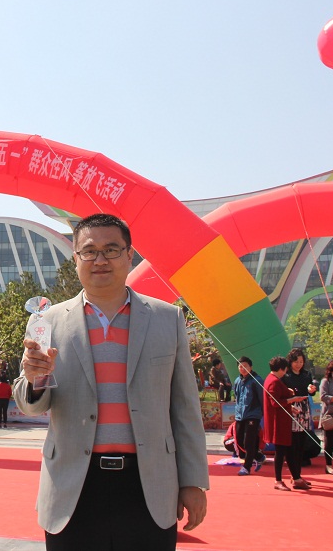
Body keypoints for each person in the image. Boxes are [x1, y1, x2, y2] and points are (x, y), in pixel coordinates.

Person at [14, 213, 208, 549]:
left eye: (112, 250)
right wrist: (35, 379)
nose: (100, 260)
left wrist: (193, 481)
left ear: (130, 255)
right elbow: (31, 405)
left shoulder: (167, 319)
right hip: (73, 487)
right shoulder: (47, 322)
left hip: (149, 486)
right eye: (89, 251)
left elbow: (185, 408)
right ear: (76, 259)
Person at [263, 356, 309, 491]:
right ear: (281, 369)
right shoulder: (274, 381)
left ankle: (296, 478)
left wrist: (290, 406)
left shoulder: (272, 380)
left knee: (288, 450)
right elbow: (275, 402)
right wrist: (292, 400)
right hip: (278, 422)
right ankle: (278, 480)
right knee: (281, 452)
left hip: (282, 419)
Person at [281, 348, 317, 472]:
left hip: (304, 407)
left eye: (301, 362)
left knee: (303, 436)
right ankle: (292, 463)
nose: (299, 364)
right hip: (292, 407)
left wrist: (311, 390)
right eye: (296, 362)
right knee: (293, 437)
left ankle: (301, 461)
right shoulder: (286, 375)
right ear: (290, 362)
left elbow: (310, 391)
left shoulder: (306, 374)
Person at [232, 356, 265, 476]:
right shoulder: (237, 381)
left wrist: (262, 413)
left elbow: (262, 398)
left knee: (249, 442)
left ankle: (246, 467)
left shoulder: (257, 380)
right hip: (240, 415)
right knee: (239, 441)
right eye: (240, 366)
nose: (242, 368)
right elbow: (237, 396)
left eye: (245, 366)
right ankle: (258, 456)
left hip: (253, 415)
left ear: (250, 367)